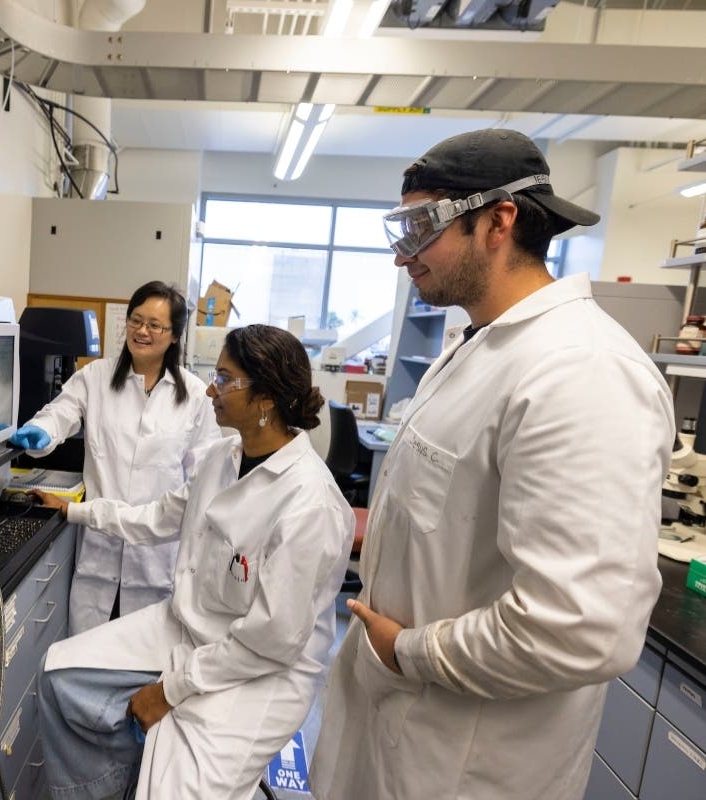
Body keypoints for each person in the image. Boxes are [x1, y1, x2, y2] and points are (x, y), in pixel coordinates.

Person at [310, 128, 675, 800]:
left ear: (497, 221)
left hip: (463, 765)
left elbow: (581, 628)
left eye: (420, 226)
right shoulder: (479, 347)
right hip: (394, 726)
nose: (402, 254)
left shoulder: (581, 372)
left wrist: (407, 651)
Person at [32, 324, 355, 800]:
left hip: (261, 672)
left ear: (265, 397)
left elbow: (270, 642)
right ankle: (110, 783)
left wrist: (169, 691)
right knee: (59, 675)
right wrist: (76, 509)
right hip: (188, 628)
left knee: (171, 793)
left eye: (224, 380)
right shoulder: (224, 457)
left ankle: (146, 768)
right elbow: (159, 516)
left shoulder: (310, 505)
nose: (210, 390)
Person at [10, 281, 221, 634]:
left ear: (174, 336)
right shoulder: (96, 377)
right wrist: (42, 431)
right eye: (135, 320)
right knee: (86, 663)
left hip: (157, 560)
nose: (141, 331)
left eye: (155, 325)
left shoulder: (196, 396)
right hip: (98, 554)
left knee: (143, 673)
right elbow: (60, 412)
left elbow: (203, 480)